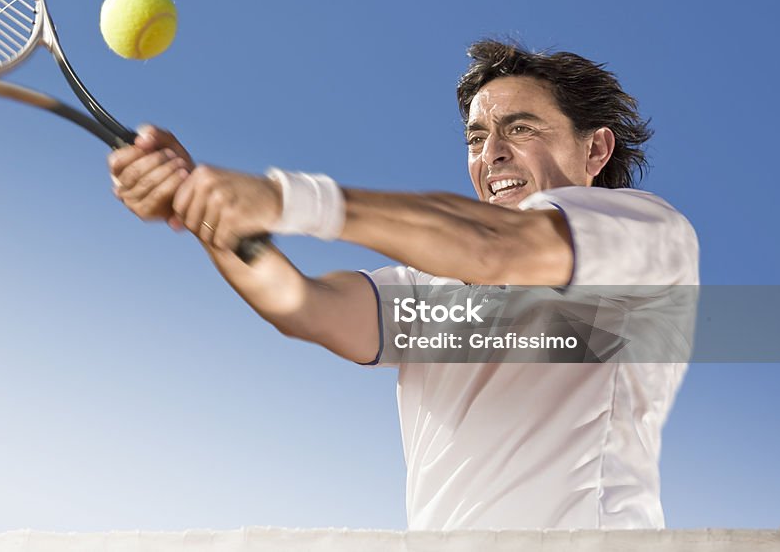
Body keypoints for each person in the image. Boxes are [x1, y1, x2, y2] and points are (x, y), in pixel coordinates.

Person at [108, 39, 699, 530]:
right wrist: (206, 211)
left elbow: (496, 247)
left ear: (595, 147)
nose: (491, 154)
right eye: (475, 138)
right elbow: (300, 303)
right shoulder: (425, 286)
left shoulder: (647, 234)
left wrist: (287, 199)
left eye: (520, 129)